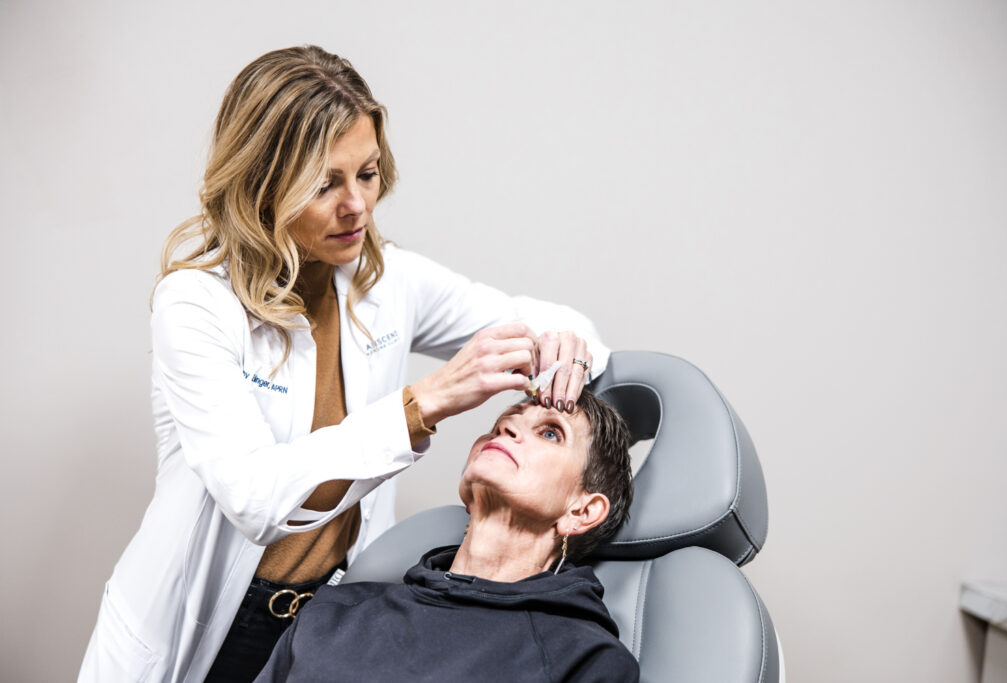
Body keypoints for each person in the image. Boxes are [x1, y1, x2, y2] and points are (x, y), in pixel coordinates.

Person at [79, 45, 609, 683]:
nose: (357, 205)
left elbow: (565, 325)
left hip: (324, 621)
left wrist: (563, 346)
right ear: (262, 182)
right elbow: (254, 498)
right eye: (325, 183)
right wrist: (423, 404)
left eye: (368, 172)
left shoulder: (387, 283)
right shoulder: (196, 304)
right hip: (200, 627)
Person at [256, 389, 637, 682]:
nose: (508, 427)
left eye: (551, 433)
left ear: (582, 512)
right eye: (505, 421)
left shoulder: (584, 658)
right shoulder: (336, 610)